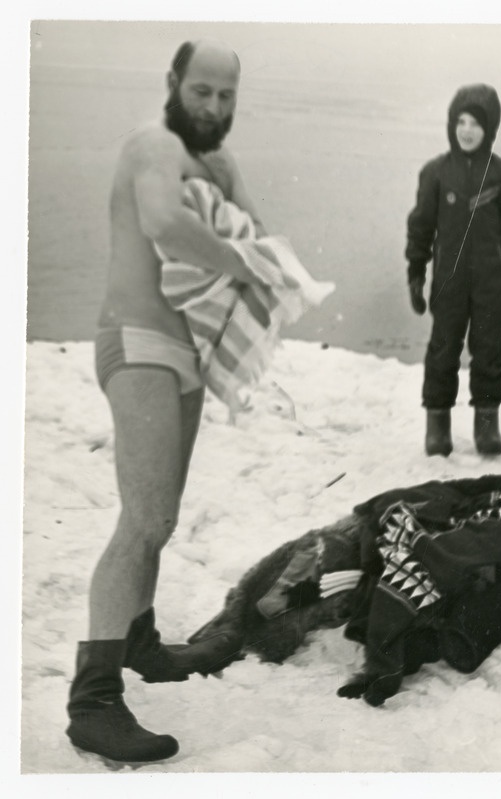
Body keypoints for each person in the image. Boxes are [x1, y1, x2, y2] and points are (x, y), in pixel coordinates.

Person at [66, 39, 269, 764]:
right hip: (138, 342)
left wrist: (248, 238)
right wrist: (244, 258)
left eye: (226, 96)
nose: (213, 107)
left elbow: (257, 232)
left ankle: (142, 644)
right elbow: (163, 222)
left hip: (183, 355)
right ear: (173, 83)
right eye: (201, 91)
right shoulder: (152, 146)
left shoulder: (217, 163)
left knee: (162, 518)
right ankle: (91, 700)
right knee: (143, 518)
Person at [405, 83, 501, 457]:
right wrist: (415, 272)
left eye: (475, 123)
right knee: (443, 350)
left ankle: (486, 425)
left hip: (491, 281)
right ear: (451, 124)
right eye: (460, 121)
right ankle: (437, 425)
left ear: (489, 128)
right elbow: (420, 226)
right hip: (448, 280)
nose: (466, 130)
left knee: (489, 350)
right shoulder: (435, 173)